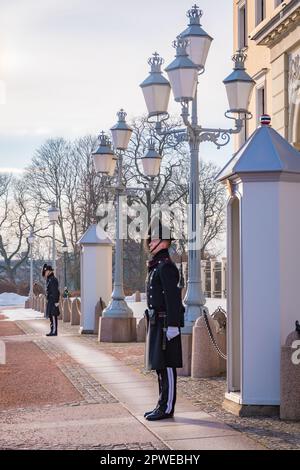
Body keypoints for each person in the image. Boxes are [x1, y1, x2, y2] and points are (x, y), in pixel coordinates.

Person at [144, 220, 184, 421]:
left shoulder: (166, 266)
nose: (150, 242)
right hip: (157, 322)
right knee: (159, 366)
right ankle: (161, 404)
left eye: (154, 238)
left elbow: (173, 299)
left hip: (166, 322)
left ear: (164, 241)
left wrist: (173, 325)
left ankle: (167, 407)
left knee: (167, 366)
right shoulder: (157, 265)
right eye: (150, 239)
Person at [42, 264, 60, 336]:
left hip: (53, 300)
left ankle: (54, 331)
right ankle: (52, 330)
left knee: (53, 315)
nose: (45, 273)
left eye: (46, 271)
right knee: (51, 316)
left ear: (49, 271)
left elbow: (55, 291)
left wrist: (56, 301)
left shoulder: (52, 279)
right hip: (50, 300)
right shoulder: (49, 279)